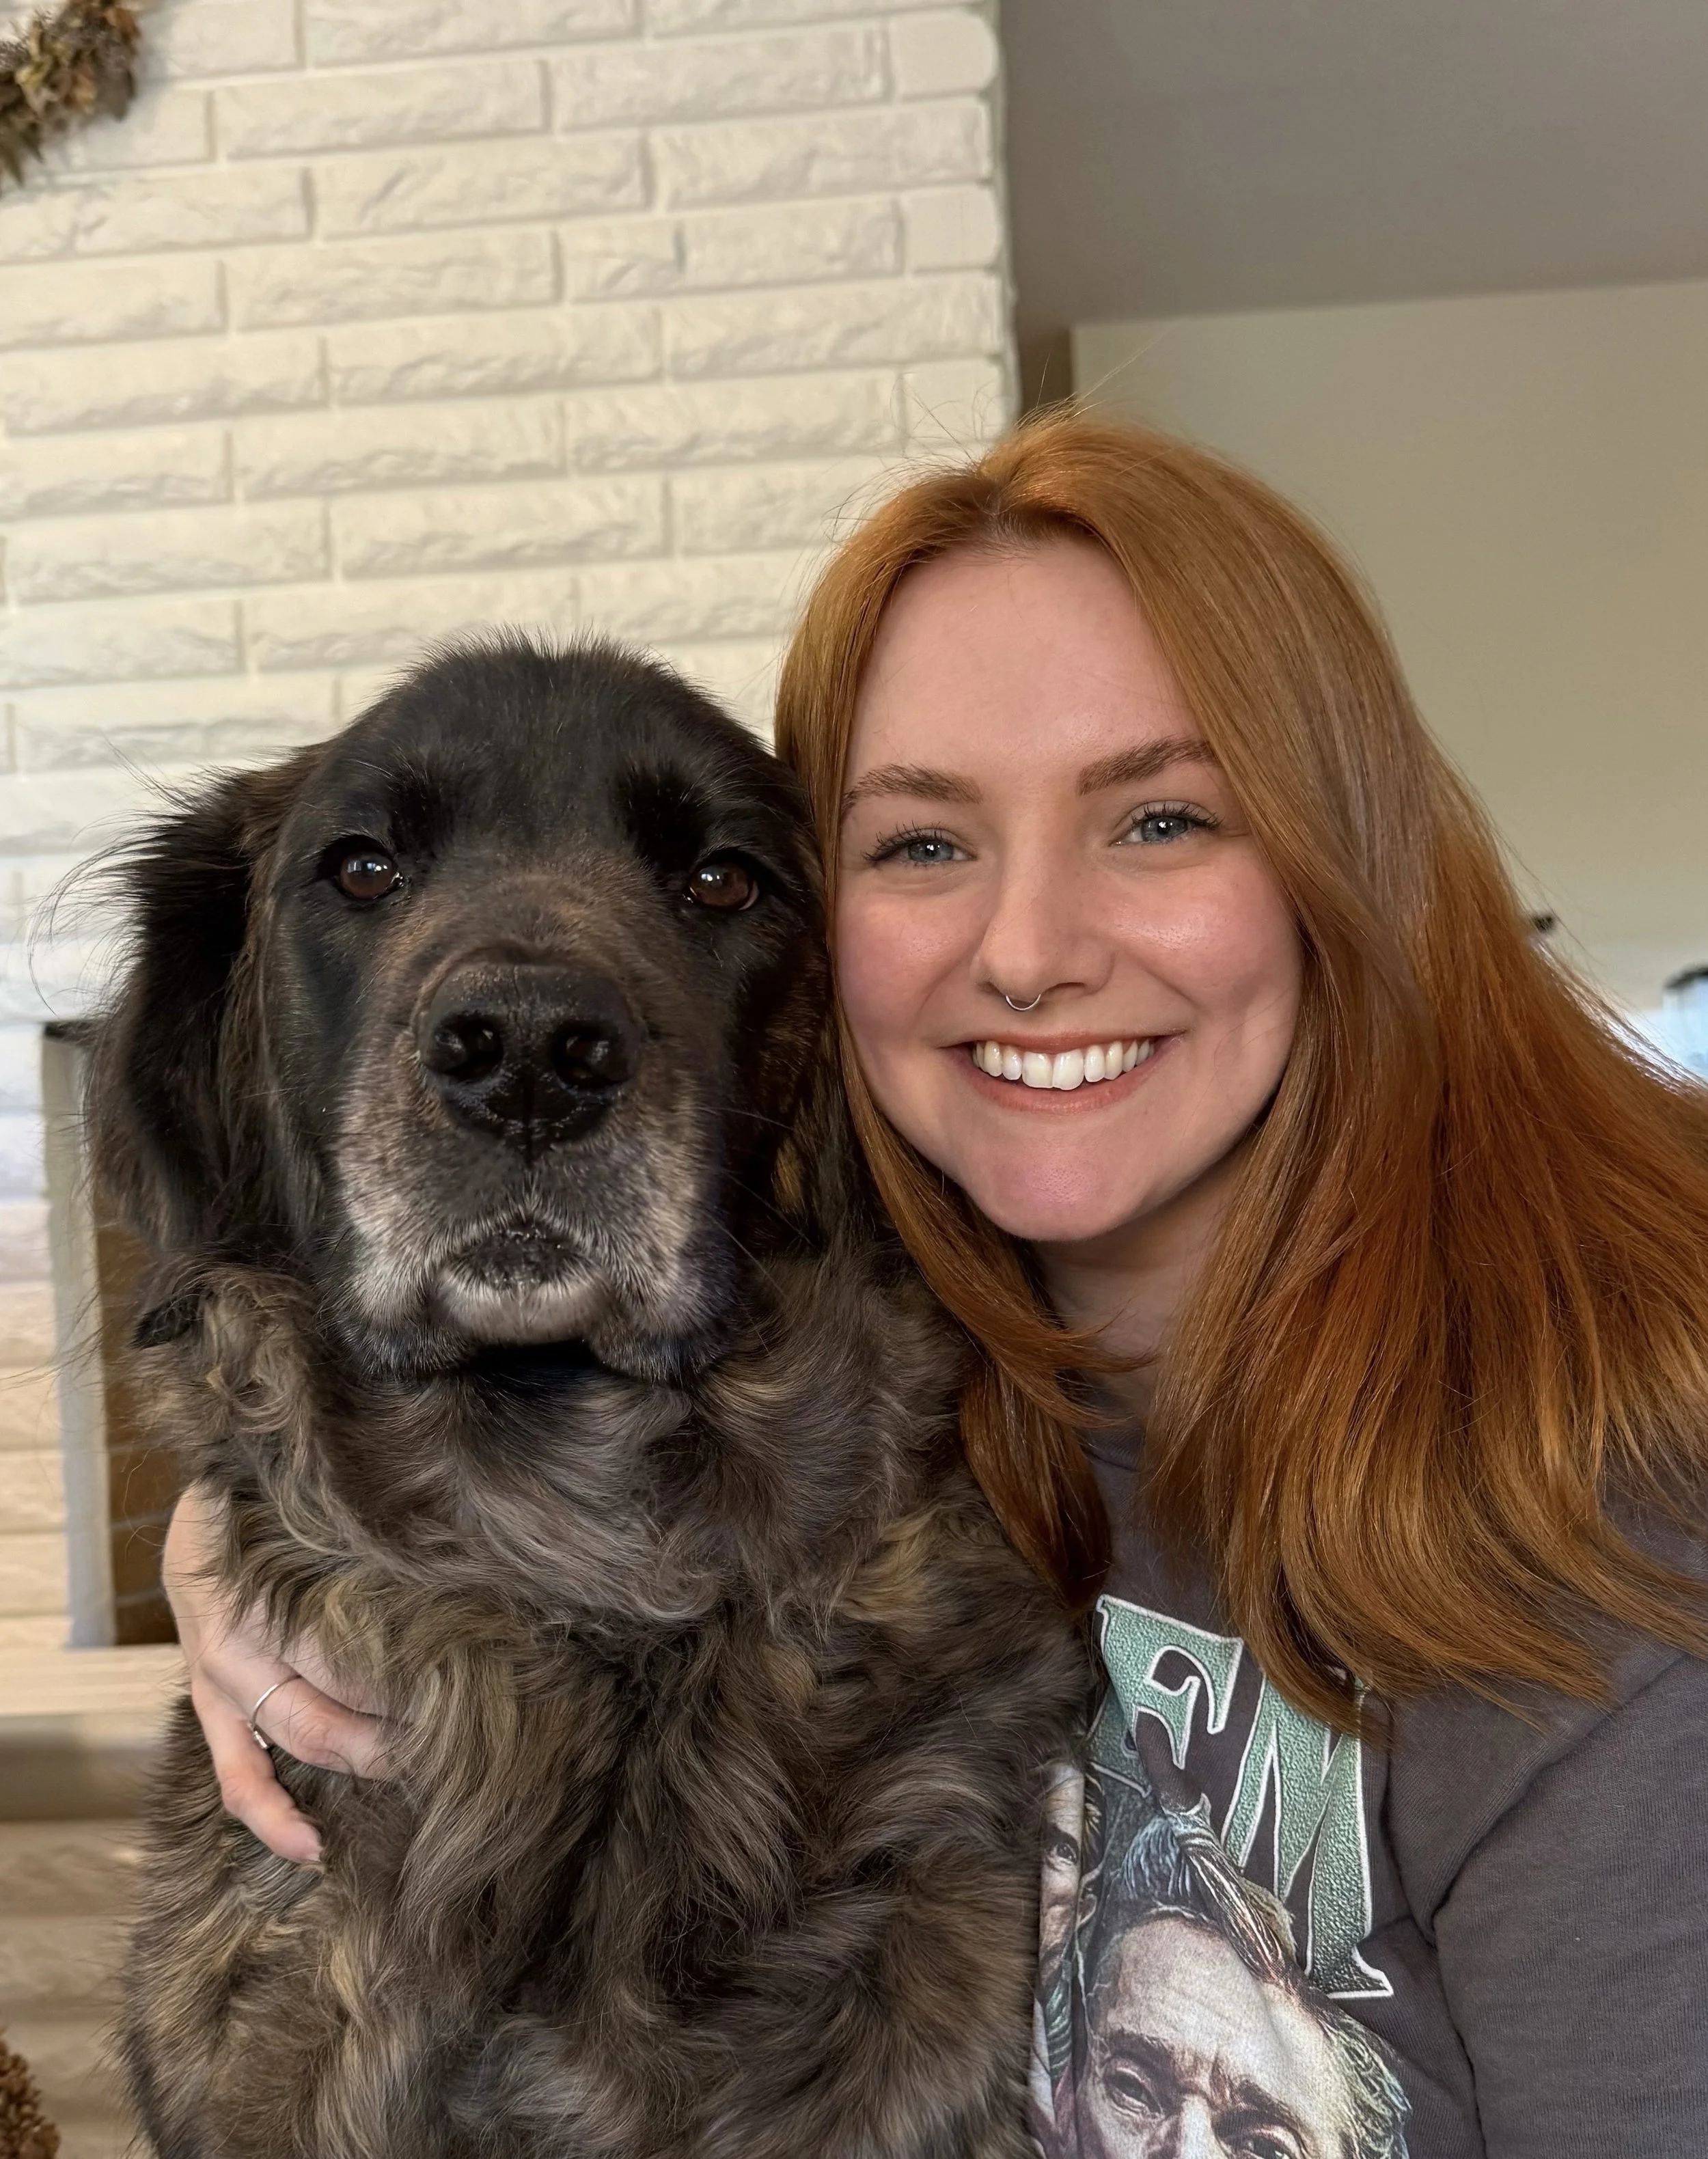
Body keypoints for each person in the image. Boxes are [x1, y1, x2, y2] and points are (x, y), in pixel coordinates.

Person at [158, 413, 1708, 2157]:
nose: (1030, 950)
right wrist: (271, 1529)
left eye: (1160, 815)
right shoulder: (931, 1403)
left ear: (1340, 862)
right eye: (918, 842)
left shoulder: (1613, 1548)